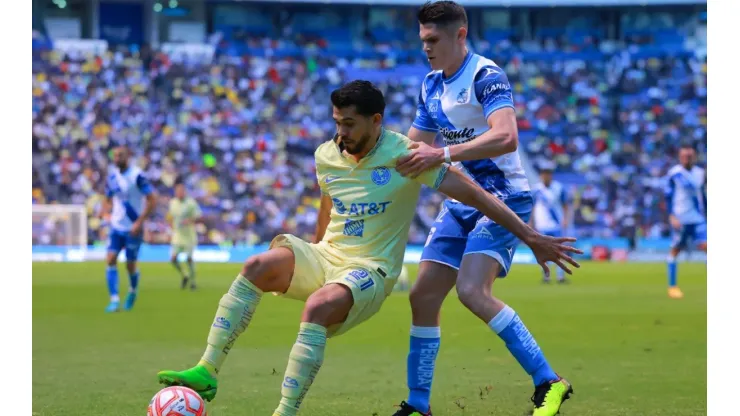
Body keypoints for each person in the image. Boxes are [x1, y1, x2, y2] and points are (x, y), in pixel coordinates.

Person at [156, 80, 581, 416]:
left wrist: (530, 235)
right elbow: (330, 199)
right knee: (256, 264)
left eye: (349, 125)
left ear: (376, 121)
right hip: (327, 255)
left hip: (371, 269)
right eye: (337, 122)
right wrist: (314, 247)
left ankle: (285, 411)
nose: (341, 134)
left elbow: (474, 194)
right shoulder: (326, 155)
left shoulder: (408, 156)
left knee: (320, 308)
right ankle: (207, 370)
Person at [393, 2, 574, 415]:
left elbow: (506, 136)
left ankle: (550, 382)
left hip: (506, 195)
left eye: (433, 40)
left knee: (472, 291)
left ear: (460, 34)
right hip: (461, 200)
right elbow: (410, 147)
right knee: (422, 295)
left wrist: (443, 153)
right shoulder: (430, 86)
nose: (426, 48)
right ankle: (418, 404)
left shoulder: (486, 76)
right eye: (422, 40)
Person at [101, 146, 156, 312]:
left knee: (130, 265)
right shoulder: (112, 176)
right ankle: (114, 299)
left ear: (128, 157)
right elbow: (107, 198)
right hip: (116, 226)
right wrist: (106, 214)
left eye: (120, 156)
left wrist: (139, 222)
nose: (117, 158)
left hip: (133, 227)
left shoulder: (137, 176)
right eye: (115, 156)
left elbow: (152, 199)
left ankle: (132, 291)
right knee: (110, 259)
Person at [664, 143, 707, 299]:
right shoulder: (674, 174)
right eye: (683, 156)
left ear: (694, 156)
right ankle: (672, 286)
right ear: (679, 157)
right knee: (675, 251)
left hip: (698, 218)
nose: (686, 159)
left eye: (689, 156)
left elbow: (704, 196)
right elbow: (668, 197)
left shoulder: (701, 173)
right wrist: (672, 215)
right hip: (680, 219)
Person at [531, 161, 570, 284]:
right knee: (543, 251)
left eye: (548, 173)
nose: (546, 176)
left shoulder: (558, 188)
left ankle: (560, 276)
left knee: (560, 250)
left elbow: (565, 206)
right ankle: (546, 275)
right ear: (541, 175)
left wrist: (565, 219)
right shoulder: (536, 190)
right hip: (542, 225)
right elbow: (532, 208)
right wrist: (531, 223)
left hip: (556, 224)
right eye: (544, 173)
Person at [167, 181, 203, 290]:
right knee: (173, 259)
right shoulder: (172, 202)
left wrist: (189, 220)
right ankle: (185, 275)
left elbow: (198, 216)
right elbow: (170, 217)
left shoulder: (191, 203)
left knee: (189, 259)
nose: (180, 193)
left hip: (189, 236)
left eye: (181, 191)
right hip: (177, 235)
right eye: (177, 191)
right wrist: (170, 228)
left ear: (184, 192)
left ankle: (193, 281)